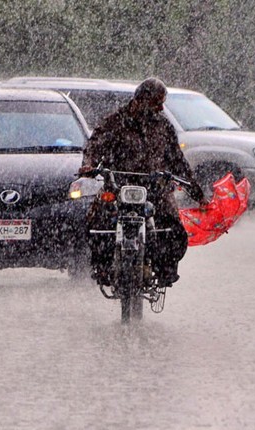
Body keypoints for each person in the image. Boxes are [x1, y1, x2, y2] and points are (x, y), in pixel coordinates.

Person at [78, 77, 207, 287]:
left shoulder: (164, 126)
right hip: (118, 185)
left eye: (162, 102)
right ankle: (102, 268)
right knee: (96, 222)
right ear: (141, 99)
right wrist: (88, 165)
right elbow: (94, 146)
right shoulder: (115, 121)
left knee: (173, 227)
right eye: (157, 102)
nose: (160, 107)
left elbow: (177, 160)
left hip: (155, 188)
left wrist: (198, 194)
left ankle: (165, 269)